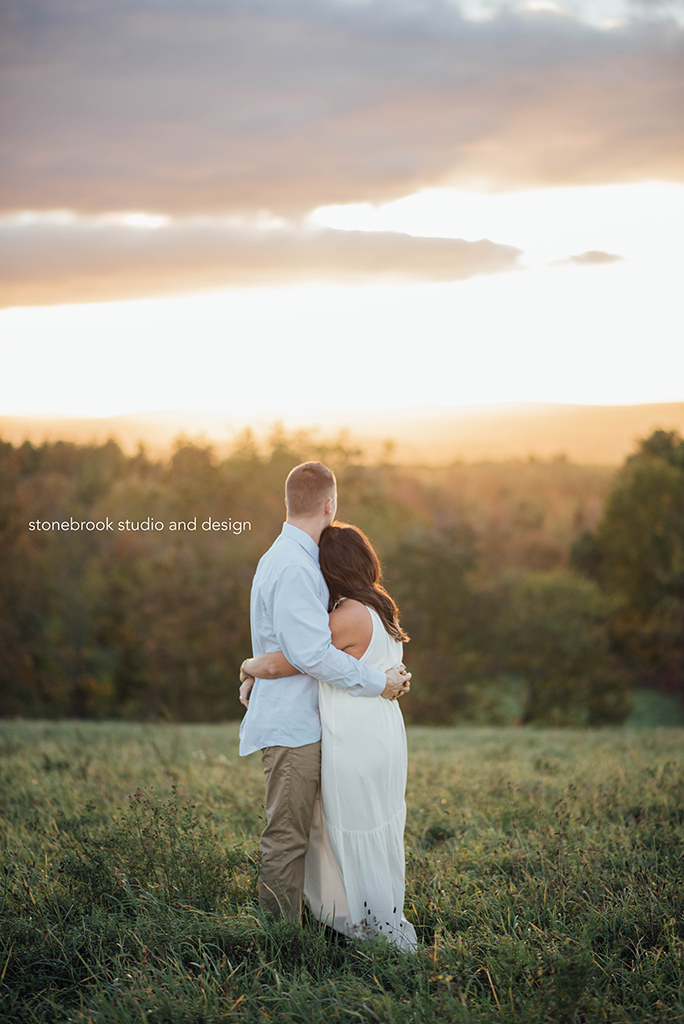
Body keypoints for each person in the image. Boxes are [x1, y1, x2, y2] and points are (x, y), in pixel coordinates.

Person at [238, 462, 410, 923]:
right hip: (292, 727)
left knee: (317, 835)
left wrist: (254, 666)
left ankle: (331, 921)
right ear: (330, 504)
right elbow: (311, 653)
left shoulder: (292, 558)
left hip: (313, 723)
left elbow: (292, 647)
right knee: (289, 838)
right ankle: (280, 944)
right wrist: (380, 682)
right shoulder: (295, 565)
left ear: (288, 502)